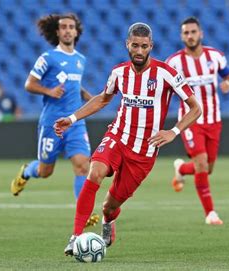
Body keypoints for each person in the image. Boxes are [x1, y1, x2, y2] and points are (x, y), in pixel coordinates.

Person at [54, 22, 202, 256]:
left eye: (144, 46)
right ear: (127, 45)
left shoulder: (166, 73)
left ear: (151, 46)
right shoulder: (119, 72)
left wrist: (172, 132)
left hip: (144, 151)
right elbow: (103, 99)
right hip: (118, 137)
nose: (139, 51)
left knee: (110, 206)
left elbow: (196, 108)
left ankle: (108, 219)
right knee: (94, 173)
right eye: (135, 46)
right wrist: (71, 118)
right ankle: (75, 237)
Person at [10, 13, 99, 227]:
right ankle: (26, 171)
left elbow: (74, 86)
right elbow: (29, 84)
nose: (68, 30)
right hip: (51, 123)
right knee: (45, 171)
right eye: (64, 27)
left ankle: (83, 214)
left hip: (75, 121)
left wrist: (89, 97)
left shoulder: (80, 59)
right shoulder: (48, 58)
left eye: (71, 27)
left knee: (82, 166)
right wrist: (48, 91)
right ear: (57, 32)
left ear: (76, 32)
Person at [165, 17, 229, 225]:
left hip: (213, 119)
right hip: (190, 120)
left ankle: (181, 169)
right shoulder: (175, 62)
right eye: (186, 33)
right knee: (202, 163)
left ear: (201, 34)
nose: (190, 36)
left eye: (193, 32)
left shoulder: (215, 56)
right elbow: (165, 89)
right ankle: (210, 213)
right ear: (182, 36)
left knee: (207, 168)